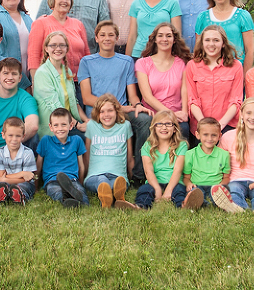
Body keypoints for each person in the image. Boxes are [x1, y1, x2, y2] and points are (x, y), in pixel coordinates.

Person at [78, 20, 150, 181]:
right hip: (98, 113)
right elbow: (87, 97)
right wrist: (118, 107)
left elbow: (132, 95)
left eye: (111, 35)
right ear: (96, 38)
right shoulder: (87, 62)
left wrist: (137, 105)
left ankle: (139, 174)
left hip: (122, 114)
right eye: (102, 35)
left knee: (145, 120)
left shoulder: (126, 61)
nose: (107, 38)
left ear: (117, 38)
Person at [135, 23, 192, 159]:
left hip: (177, 112)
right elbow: (147, 97)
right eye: (160, 36)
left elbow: (185, 89)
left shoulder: (182, 63)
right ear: (155, 39)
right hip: (153, 113)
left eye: (168, 36)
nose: (164, 39)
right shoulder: (143, 63)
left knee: (183, 128)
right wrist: (170, 115)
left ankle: (180, 173)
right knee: (147, 125)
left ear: (174, 39)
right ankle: (140, 175)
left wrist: (184, 111)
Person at [0, 57, 39, 185]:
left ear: (20, 78)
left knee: (35, 136)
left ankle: (19, 174)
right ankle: (21, 176)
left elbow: (33, 125)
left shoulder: (25, 98)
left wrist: (12, 144)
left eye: (14, 74)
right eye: (5, 73)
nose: (10, 77)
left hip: (17, 149)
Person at [118, 111, 188, 210]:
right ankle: (140, 206)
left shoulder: (181, 145)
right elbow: (148, 171)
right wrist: (157, 189)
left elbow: (177, 170)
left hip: (175, 182)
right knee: (145, 190)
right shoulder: (147, 146)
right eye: (159, 124)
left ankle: (183, 205)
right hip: (155, 182)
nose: (164, 127)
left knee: (179, 191)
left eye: (168, 124)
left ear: (175, 129)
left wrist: (168, 191)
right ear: (154, 128)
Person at [186, 25, 244, 136]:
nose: (211, 44)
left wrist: (219, 126)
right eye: (207, 40)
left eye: (216, 40)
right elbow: (192, 100)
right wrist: (205, 126)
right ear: (202, 43)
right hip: (199, 127)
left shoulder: (236, 66)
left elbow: (236, 102)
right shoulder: (192, 66)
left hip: (227, 127)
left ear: (223, 44)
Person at [194, 0, 254, 76]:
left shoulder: (242, 16)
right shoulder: (203, 17)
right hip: (209, 75)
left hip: (235, 74)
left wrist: (244, 77)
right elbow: (199, 50)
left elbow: (249, 50)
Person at [32, 31, 87, 139]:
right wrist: (78, 125)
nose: (58, 49)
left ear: (66, 48)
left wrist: (86, 120)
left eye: (62, 45)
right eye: (53, 45)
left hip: (70, 124)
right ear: (46, 49)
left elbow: (74, 102)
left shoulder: (67, 71)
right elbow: (55, 107)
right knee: (87, 138)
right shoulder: (43, 73)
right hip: (54, 129)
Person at [28, 0, 90, 80]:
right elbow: (33, 55)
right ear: (53, 2)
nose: (64, 1)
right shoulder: (40, 23)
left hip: (79, 80)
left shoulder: (78, 24)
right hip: (51, 81)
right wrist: (36, 81)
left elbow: (86, 53)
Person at [84, 94, 133, 208]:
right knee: (101, 180)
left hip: (118, 176)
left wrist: (131, 176)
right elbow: (87, 154)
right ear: (97, 113)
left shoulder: (125, 126)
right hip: (95, 175)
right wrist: (85, 176)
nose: (106, 115)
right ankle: (112, 195)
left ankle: (110, 196)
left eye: (110, 110)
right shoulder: (92, 125)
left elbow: (129, 155)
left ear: (116, 111)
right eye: (102, 111)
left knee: (117, 182)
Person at [36, 108, 89, 208]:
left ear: (71, 125)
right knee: (56, 192)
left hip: (72, 180)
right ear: (51, 127)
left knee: (80, 191)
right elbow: (38, 165)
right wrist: (35, 186)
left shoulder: (76, 140)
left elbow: (81, 165)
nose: (60, 128)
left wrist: (80, 183)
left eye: (63, 124)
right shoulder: (46, 141)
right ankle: (68, 200)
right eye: (56, 125)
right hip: (52, 180)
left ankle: (81, 203)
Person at [181, 117, 231, 210]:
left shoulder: (224, 155)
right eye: (205, 135)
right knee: (194, 192)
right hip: (197, 185)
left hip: (215, 185)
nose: (209, 138)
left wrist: (220, 185)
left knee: (220, 193)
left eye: (213, 135)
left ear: (219, 136)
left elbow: (226, 177)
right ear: (197, 135)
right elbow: (186, 177)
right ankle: (198, 202)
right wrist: (188, 183)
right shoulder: (190, 154)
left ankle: (215, 203)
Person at [0, 117, 37, 205]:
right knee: (1, 185)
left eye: (18, 136)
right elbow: (1, 175)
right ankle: (1, 196)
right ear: (3, 135)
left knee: (24, 186)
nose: (14, 139)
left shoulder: (28, 153)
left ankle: (19, 196)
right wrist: (22, 173)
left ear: (23, 136)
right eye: (10, 135)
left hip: (24, 183)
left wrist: (5, 179)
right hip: (8, 181)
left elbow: (26, 179)